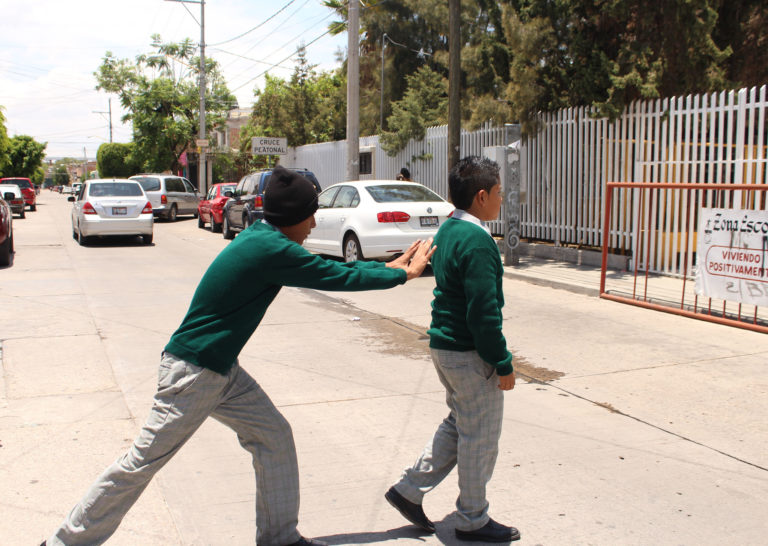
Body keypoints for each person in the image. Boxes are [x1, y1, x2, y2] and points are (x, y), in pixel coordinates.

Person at [42, 166, 436, 546]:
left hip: (220, 370)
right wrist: (402, 274)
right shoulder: (272, 248)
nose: (314, 225)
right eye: (310, 217)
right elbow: (335, 276)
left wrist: (392, 266)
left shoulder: (263, 238)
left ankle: (279, 538)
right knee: (141, 463)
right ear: (292, 218)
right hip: (194, 373)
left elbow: (331, 268)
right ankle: (65, 542)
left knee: (274, 437)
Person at [384, 156, 519, 543]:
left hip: (445, 347)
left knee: (460, 425)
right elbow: (483, 313)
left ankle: (408, 490)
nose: (501, 198)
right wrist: (503, 362)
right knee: (481, 437)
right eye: (498, 192)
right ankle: (472, 520)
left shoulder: (450, 229)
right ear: (481, 196)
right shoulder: (477, 241)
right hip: (469, 353)